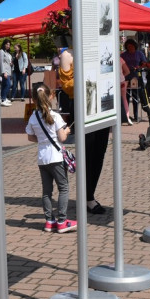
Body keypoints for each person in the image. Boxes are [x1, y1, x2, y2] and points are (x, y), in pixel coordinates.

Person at [54, 48, 107, 215]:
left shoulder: (99, 47)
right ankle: (88, 197)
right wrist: (88, 81)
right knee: (88, 153)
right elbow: (68, 88)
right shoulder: (68, 55)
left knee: (99, 152)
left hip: (102, 105)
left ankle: (89, 194)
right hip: (84, 106)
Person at [25, 83, 76, 233]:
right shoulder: (55, 116)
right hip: (56, 157)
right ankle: (62, 221)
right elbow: (62, 137)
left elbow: (30, 137)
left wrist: (43, 140)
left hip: (42, 157)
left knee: (46, 191)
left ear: (35, 99)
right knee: (63, 188)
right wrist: (66, 131)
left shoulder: (33, 117)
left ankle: (49, 221)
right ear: (50, 96)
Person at [121, 39, 147, 122]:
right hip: (126, 76)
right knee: (126, 96)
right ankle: (126, 116)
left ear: (134, 46)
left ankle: (136, 115)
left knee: (135, 96)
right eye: (128, 46)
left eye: (131, 46)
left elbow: (144, 63)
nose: (130, 48)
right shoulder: (124, 55)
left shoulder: (139, 53)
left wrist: (139, 67)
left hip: (136, 75)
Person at [0, 39, 13, 105]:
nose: (8, 46)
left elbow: (7, 62)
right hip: (5, 72)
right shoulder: (1, 52)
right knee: (8, 84)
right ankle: (3, 99)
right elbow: (1, 62)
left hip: (9, 71)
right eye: (7, 44)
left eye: (9, 45)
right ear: (4, 44)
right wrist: (3, 72)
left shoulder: (7, 52)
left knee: (5, 85)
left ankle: (3, 98)